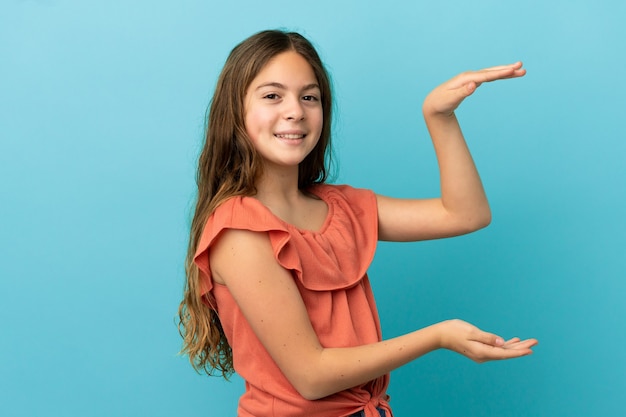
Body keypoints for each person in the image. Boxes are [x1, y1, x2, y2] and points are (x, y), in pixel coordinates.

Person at [178, 29, 538, 417]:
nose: (295, 110)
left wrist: (440, 117)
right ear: (235, 112)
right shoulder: (239, 232)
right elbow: (312, 376)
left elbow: (467, 214)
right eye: (272, 96)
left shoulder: (340, 207)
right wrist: (438, 336)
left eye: (309, 97)